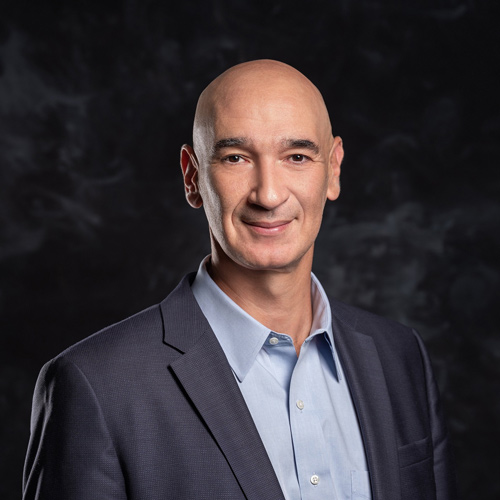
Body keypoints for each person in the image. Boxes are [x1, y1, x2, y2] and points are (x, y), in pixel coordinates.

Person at [23, 60, 457, 500]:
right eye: (236, 158)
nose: (268, 194)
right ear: (192, 177)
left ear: (333, 169)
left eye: (297, 157)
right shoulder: (96, 386)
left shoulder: (400, 358)